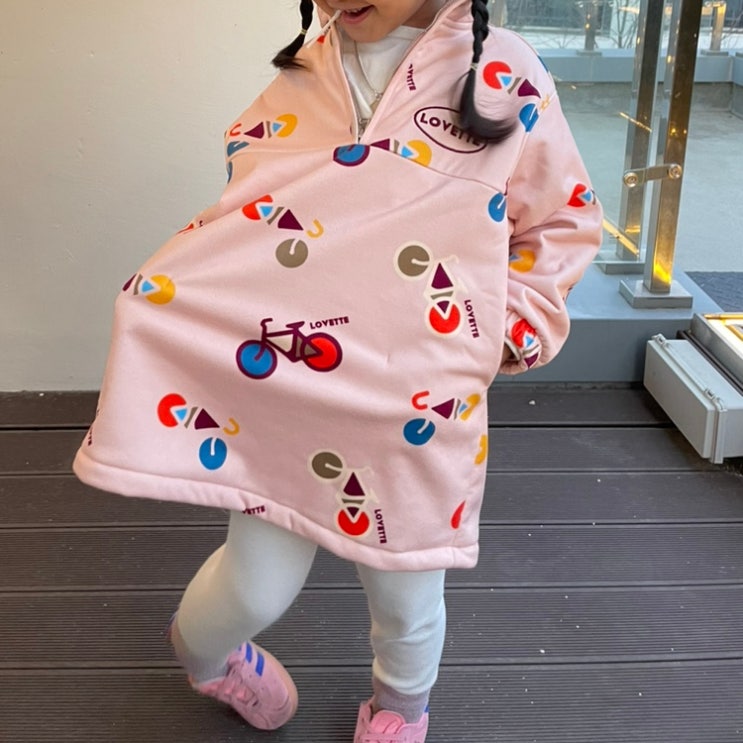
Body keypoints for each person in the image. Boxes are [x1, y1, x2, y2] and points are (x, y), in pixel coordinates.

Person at [73, 0, 603, 740]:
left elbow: (563, 220)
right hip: (290, 393)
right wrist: (176, 296)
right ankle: (206, 660)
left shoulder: (506, 72)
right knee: (251, 587)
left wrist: (505, 331)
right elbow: (253, 217)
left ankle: (398, 715)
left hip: (412, 413)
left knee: (407, 601)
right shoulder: (305, 74)